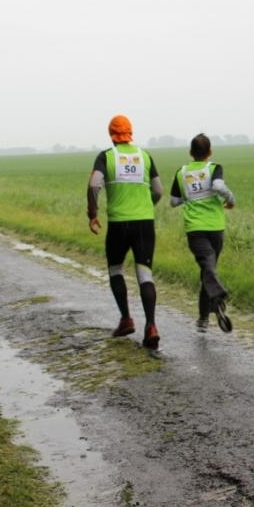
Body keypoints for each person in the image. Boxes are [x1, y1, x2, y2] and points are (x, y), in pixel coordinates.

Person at [87, 114, 163, 349]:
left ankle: (126, 318)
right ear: (131, 133)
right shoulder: (144, 156)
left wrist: (93, 213)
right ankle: (151, 325)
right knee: (145, 274)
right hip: (144, 223)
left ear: (112, 135)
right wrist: (145, 204)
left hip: (119, 223)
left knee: (116, 269)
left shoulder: (106, 156)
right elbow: (159, 190)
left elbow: (94, 185)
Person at [169, 133, 236, 333]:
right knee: (209, 267)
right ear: (210, 152)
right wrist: (230, 199)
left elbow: (173, 201)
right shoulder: (214, 168)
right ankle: (216, 300)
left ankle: (204, 316)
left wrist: (188, 198)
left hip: (195, 228)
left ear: (190, 153)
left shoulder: (181, 172)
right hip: (215, 227)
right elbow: (217, 186)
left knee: (208, 269)